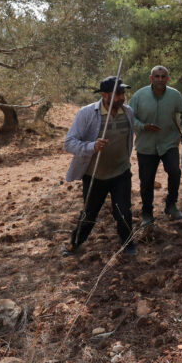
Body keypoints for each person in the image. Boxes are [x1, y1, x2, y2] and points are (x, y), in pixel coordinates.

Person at [63, 76, 137, 257]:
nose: (122, 97)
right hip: (95, 174)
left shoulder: (128, 113)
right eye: (117, 93)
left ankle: (127, 244)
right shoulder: (86, 113)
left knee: (123, 212)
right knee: (90, 213)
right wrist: (91, 146)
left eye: (123, 93)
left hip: (121, 171)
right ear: (104, 95)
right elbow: (69, 143)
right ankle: (75, 243)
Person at [128, 65, 182, 227]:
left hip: (169, 142)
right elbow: (129, 117)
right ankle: (147, 214)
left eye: (163, 77)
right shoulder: (139, 96)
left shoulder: (175, 95)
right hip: (146, 146)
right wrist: (143, 126)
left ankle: (171, 205)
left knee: (175, 172)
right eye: (157, 76)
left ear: (167, 79)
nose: (160, 79)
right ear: (151, 78)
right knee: (146, 181)